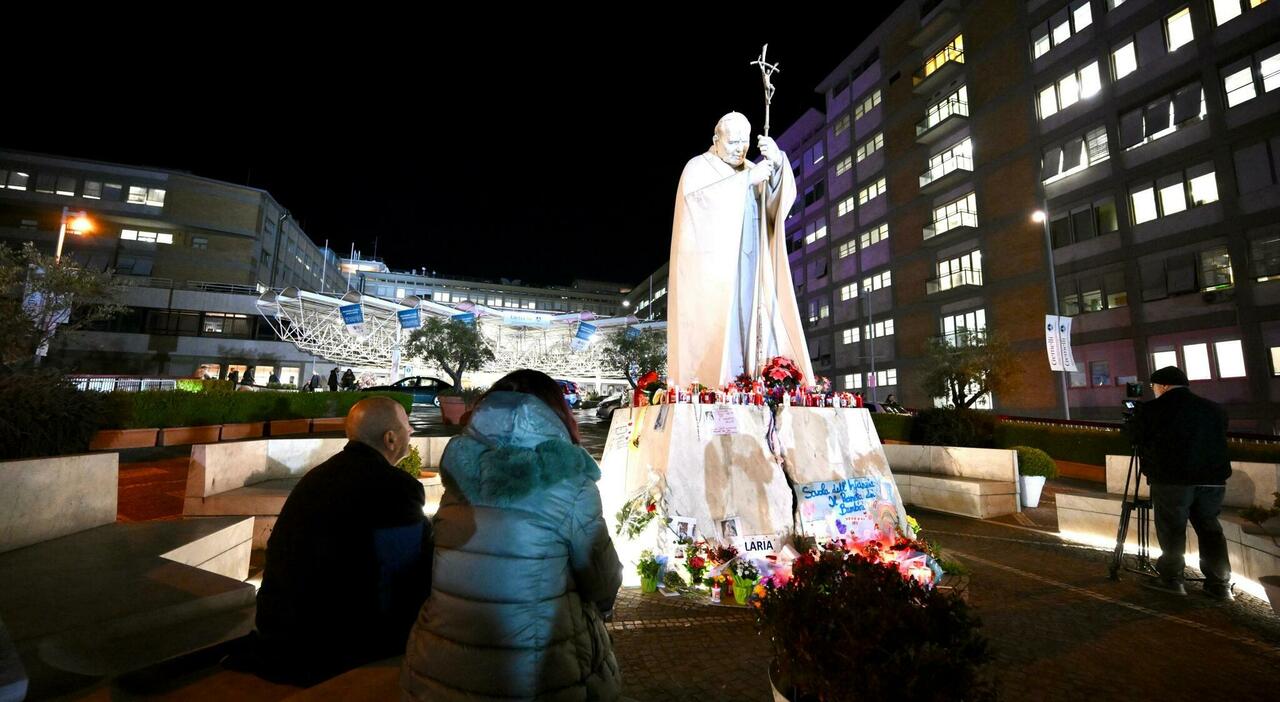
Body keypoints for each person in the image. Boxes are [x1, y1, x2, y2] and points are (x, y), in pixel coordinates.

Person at [401, 369, 622, 701]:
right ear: (555, 413)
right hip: (536, 677)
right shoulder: (570, 480)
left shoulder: (461, 474)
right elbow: (602, 584)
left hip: (436, 670)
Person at [249, 397, 432, 684]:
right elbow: (406, 575)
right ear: (391, 439)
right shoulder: (395, 488)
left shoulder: (318, 477)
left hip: (279, 631)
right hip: (334, 648)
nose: (411, 433)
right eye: (408, 427)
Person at [667, 112, 812, 388]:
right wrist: (746, 181)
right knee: (726, 328)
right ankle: (720, 383)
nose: (739, 148)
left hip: (753, 263)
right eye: (732, 142)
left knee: (757, 322)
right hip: (717, 271)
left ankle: (755, 380)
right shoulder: (698, 167)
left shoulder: (752, 169)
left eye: (744, 142)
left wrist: (778, 163)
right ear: (716, 140)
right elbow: (697, 206)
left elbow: (775, 210)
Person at [1132, 366, 1233, 600]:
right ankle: (1220, 583)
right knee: (1210, 529)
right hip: (1213, 480)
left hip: (1172, 479)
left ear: (1163, 385)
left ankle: (1171, 578)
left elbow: (1134, 437)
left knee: (1172, 529)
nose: (1154, 391)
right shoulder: (1214, 409)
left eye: (1154, 386)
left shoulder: (1154, 409)